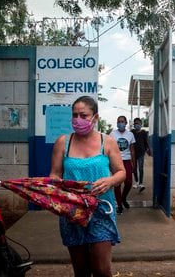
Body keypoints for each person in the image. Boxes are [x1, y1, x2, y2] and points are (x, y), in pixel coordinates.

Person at [49, 96, 126, 277]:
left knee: (102, 270)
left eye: (83, 115)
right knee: (81, 270)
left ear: (95, 117)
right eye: (75, 115)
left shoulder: (107, 142)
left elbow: (121, 172)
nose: (78, 120)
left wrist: (110, 181)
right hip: (72, 212)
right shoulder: (63, 142)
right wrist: (58, 187)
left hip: (101, 211)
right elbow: (54, 174)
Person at [109, 115, 136, 214]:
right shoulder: (112, 134)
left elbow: (132, 150)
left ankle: (124, 198)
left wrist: (133, 163)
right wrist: (109, 162)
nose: (120, 123)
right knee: (117, 184)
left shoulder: (130, 135)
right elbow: (109, 149)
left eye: (122, 121)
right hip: (116, 161)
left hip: (127, 160)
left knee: (128, 182)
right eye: (118, 121)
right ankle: (119, 205)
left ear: (126, 123)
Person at [131, 117, 151, 192]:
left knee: (141, 168)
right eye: (135, 123)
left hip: (141, 152)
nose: (137, 125)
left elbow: (146, 141)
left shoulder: (143, 133)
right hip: (133, 153)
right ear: (134, 125)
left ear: (141, 124)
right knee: (134, 168)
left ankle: (141, 183)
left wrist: (149, 149)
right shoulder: (132, 132)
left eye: (138, 123)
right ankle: (136, 181)